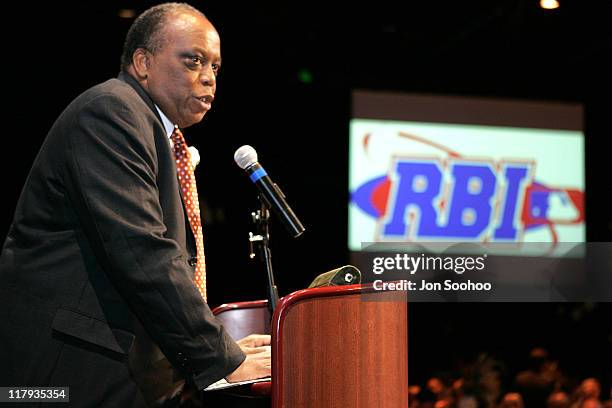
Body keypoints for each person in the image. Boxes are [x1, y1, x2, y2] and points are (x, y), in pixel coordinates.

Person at [0, 3, 270, 407]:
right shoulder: (111, 112)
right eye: (193, 60)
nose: (209, 78)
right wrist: (220, 357)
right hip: (64, 374)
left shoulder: (155, 132)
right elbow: (143, 252)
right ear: (143, 62)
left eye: (215, 67)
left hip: (118, 365)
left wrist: (222, 346)